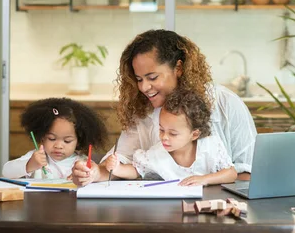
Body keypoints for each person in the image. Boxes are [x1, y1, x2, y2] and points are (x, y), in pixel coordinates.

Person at [72, 29, 256, 186]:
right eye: (139, 79)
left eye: (152, 78)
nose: (143, 87)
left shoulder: (226, 103)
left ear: (179, 68)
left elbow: (249, 172)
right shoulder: (142, 110)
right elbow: (119, 165)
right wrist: (95, 173)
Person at [105, 88, 237, 186]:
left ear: (194, 134)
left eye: (173, 133)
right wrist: (117, 168)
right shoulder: (158, 152)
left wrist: (205, 179)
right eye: (161, 129)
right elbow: (136, 170)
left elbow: (231, 174)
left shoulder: (210, 146)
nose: (164, 137)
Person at [2, 97, 108, 179]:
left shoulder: (82, 162)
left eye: (67, 141)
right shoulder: (36, 157)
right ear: (42, 137)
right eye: (52, 139)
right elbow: (6, 171)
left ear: (78, 141)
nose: (58, 146)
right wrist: (30, 165)